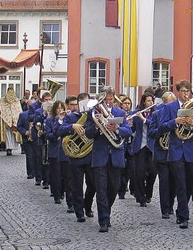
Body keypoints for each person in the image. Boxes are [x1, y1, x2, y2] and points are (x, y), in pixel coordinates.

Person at [84, 87, 132, 232]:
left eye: (111, 100)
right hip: (100, 156)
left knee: (113, 188)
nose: (108, 103)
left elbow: (128, 132)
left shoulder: (119, 112)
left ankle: (107, 211)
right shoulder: (93, 113)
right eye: (106, 100)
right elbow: (88, 133)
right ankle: (103, 220)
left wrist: (116, 129)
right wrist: (99, 127)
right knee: (101, 189)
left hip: (116, 155)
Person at [158, 79, 193, 229]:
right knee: (181, 184)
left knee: (191, 184)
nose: (186, 94)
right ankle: (184, 216)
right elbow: (162, 127)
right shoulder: (169, 107)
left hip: (191, 151)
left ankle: (180, 209)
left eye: (188, 91)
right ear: (178, 92)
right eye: (183, 91)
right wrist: (175, 122)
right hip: (176, 150)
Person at [60, 93, 96, 223]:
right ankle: (79, 211)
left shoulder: (94, 116)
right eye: (83, 103)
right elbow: (61, 130)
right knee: (77, 185)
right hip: (76, 156)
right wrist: (72, 126)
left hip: (91, 155)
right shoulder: (71, 117)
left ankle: (87, 204)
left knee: (93, 184)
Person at [148, 91, 176, 219]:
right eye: (169, 104)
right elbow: (152, 132)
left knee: (174, 181)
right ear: (164, 103)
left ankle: (170, 205)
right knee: (164, 181)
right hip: (162, 152)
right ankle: (165, 209)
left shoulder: (178, 114)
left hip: (175, 151)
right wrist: (162, 130)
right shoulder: (156, 114)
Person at [130, 93, 157, 207]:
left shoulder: (155, 114)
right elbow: (131, 129)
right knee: (139, 173)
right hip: (140, 146)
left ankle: (148, 194)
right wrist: (130, 123)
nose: (150, 103)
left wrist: (144, 119)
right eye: (148, 101)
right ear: (143, 102)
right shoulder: (136, 114)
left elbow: (155, 126)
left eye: (152, 101)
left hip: (151, 146)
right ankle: (141, 198)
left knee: (152, 172)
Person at [0, 88, 23, 156]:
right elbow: (2, 109)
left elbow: (18, 109)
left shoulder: (16, 100)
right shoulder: (3, 100)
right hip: (6, 121)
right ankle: (8, 148)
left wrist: (15, 119)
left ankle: (12, 148)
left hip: (15, 120)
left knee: (13, 135)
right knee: (8, 135)